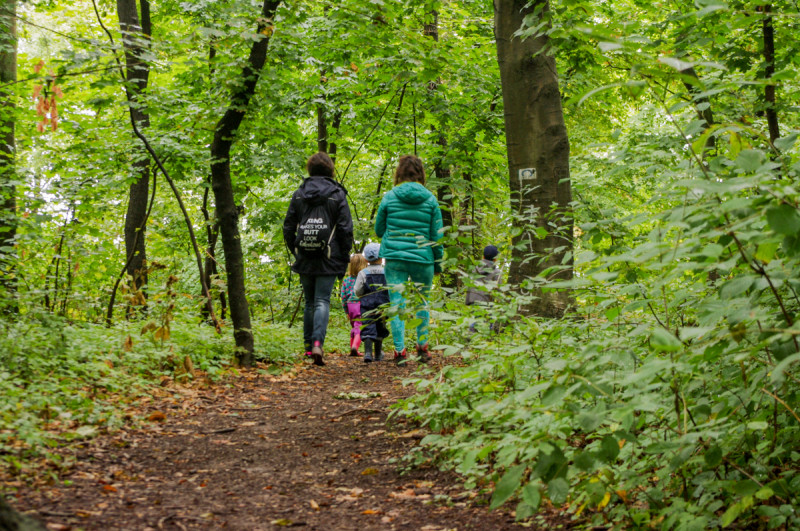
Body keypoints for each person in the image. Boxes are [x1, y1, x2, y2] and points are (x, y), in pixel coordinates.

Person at [283, 152, 353, 366]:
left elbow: (288, 226)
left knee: (310, 302)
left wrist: (296, 250)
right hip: (329, 256)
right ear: (330, 169)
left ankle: (307, 348)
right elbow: (345, 228)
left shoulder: (299, 194)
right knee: (322, 300)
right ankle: (317, 344)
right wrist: (344, 255)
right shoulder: (337, 194)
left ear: (310, 169)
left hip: (305, 254)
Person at [375, 155, 443, 364]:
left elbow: (379, 230)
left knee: (397, 302)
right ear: (421, 173)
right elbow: (437, 235)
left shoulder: (389, 197)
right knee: (423, 301)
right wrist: (438, 262)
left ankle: (399, 351)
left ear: (399, 173)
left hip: (395, 257)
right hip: (423, 258)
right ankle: (423, 347)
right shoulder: (430, 199)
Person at [354, 243, 390, 363]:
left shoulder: (363, 273)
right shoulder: (386, 272)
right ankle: (378, 354)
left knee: (368, 326)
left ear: (365, 259)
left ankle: (368, 353)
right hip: (383, 305)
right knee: (381, 326)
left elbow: (358, 290)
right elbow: (390, 289)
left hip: (367, 305)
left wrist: (363, 295)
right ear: (381, 257)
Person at [465, 245, 502, 332]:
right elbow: (499, 289)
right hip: (487, 301)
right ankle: (484, 339)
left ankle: (470, 338)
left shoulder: (475, 269)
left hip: (474, 299)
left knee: (474, 320)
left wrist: (468, 301)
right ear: (495, 259)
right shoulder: (496, 272)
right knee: (487, 322)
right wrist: (500, 302)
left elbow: (469, 285)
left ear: (483, 256)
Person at [341, 253, 367, 357]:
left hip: (350, 305)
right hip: (360, 304)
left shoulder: (346, 281)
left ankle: (353, 348)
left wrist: (346, 311)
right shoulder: (364, 279)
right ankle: (355, 347)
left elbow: (343, 297)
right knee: (359, 326)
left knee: (354, 326)